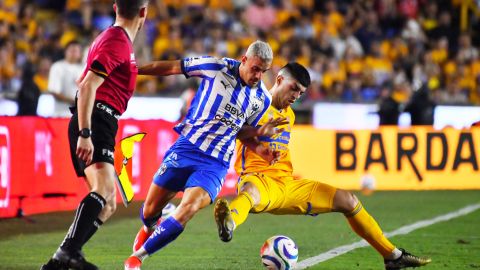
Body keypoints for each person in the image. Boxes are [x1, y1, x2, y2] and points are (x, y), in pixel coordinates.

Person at [214, 62, 432, 270]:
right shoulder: (253, 104)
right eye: (294, 89)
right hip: (259, 180)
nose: (296, 97)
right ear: (279, 79)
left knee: (348, 200)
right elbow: (233, 131)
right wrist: (259, 133)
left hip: (288, 185)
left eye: (301, 93)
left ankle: (392, 256)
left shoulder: (289, 114)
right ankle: (229, 221)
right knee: (250, 193)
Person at [124, 40, 285, 270]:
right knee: (149, 211)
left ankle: (137, 258)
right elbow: (171, 68)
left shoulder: (262, 99)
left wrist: (262, 147)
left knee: (188, 207)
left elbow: (241, 132)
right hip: (186, 148)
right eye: (256, 68)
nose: (258, 76)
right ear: (244, 60)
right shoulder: (215, 66)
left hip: (215, 163)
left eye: (264, 71)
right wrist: (134, 70)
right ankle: (150, 227)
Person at [41, 1, 149, 269]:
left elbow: (87, 81)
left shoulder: (117, 40)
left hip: (102, 120)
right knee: (103, 189)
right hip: (96, 119)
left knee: (108, 202)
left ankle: (59, 260)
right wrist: (85, 132)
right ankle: (67, 253)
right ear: (144, 13)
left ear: (115, 7)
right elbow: (88, 84)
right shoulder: (117, 40)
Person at [47, 40, 84, 117]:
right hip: (61, 113)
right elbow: (54, 92)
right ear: (65, 52)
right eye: (71, 50)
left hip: (79, 115)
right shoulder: (57, 67)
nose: (73, 53)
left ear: (80, 54)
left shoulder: (84, 68)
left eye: (76, 51)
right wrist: (74, 101)